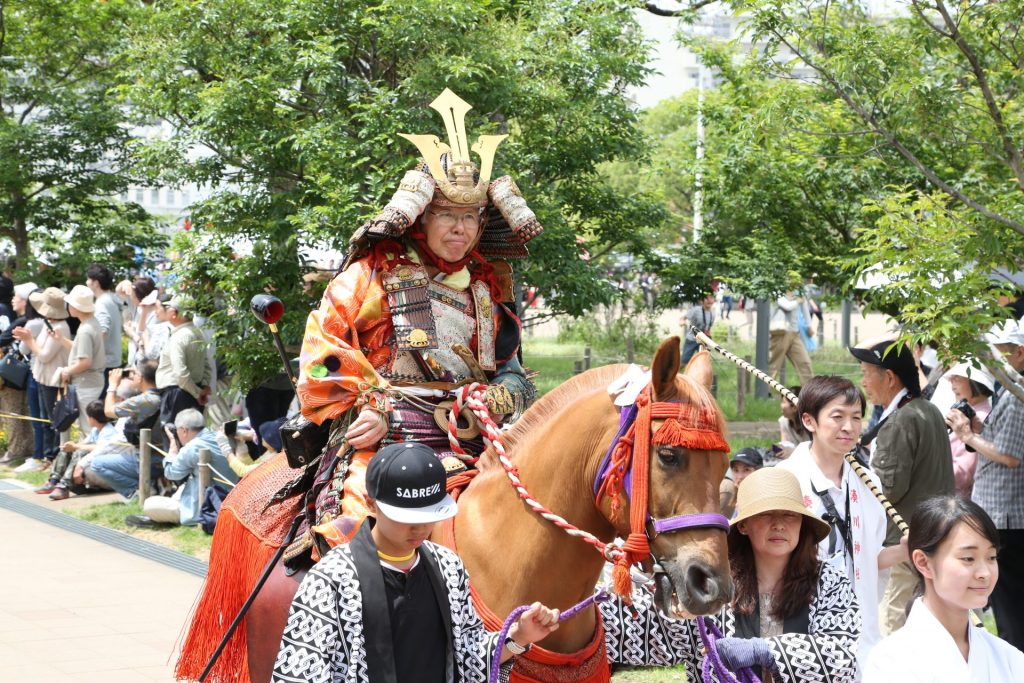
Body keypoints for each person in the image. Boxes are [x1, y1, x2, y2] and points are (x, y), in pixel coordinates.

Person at [292, 89, 540, 555]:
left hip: (475, 433)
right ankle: (336, 609)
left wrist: (500, 393)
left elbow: (513, 369)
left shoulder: (487, 289)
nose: (459, 229)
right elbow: (320, 361)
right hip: (389, 432)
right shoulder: (368, 278)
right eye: (446, 214)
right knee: (356, 529)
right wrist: (365, 407)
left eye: (469, 217)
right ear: (421, 218)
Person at [272, 442, 560, 683]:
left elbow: (469, 658)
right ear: (371, 504)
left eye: (428, 516)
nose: (420, 529)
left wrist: (519, 634)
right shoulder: (331, 579)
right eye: (407, 518)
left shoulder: (448, 567)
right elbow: (298, 675)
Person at [602, 466, 860, 682]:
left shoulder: (829, 581)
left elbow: (844, 657)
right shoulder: (712, 582)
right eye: (767, 514)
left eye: (790, 515)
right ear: (744, 525)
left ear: (803, 523)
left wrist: (761, 650)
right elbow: (639, 631)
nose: (779, 524)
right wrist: (571, 615)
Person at [777, 375, 908, 671]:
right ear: (809, 421)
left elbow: (867, 558)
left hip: (859, 630)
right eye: (837, 417)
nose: (848, 427)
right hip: (801, 624)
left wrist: (904, 550)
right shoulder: (786, 479)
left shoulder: (869, 483)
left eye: (856, 418)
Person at [851, 336, 954, 635]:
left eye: (866, 373)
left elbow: (887, 490)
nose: (864, 382)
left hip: (905, 542)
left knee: (892, 621)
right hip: (935, 532)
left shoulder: (900, 421)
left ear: (890, 377)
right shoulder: (928, 410)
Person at [864, 496, 1024, 681]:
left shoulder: (1007, 657)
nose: (985, 573)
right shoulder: (889, 661)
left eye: (991, 557)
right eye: (968, 558)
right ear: (923, 562)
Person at [946, 319, 1024, 651]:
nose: (1001, 359)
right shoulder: (1012, 390)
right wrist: (980, 429)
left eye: (1006, 352)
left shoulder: (1019, 394)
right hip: (1000, 514)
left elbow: (1010, 456)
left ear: (1020, 352)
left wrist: (968, 436)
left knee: (1010, 608)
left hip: (1007, 516)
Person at [125, 408, 237, 527]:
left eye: (177, 431)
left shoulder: (192, 447)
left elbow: (171, 473)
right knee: (181, 489)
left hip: (205, 508)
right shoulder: (220, 437)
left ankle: (163, 518)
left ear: (183, 430)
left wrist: (173, 444)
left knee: (149, 504)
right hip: (231, 501)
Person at [8, 288, 70, 469]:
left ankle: (54, 457)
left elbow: (44, 355)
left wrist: (28, 339)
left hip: (52, 379)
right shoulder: (48, 323)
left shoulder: (60, 327)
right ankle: (49, 457)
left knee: (53, 420)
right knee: (45, 419)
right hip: (43, 377)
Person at [86, 360, 163, 500]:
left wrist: (112, 385)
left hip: (148, 460)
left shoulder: (144, 400)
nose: (131, 377)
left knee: (97, 464)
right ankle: (151, 486)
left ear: (140, 377)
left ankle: (137, 492)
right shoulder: (165, 396)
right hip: (163, 457)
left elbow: (109, 411)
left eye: (133, 374)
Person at [155, 295, 213, 438]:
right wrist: (203, 387)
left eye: (168, 308)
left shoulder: (180, 336)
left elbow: (180, 372)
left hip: (177, 393)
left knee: (174, 438)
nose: (166, 310)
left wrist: (198, 393)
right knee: (192, 438)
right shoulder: (197, 333)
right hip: (193, 390)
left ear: (174, 313)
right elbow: (206, 364)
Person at [51, 285, 106, 436]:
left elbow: (85, 362)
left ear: (76, 307)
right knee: (88, 427)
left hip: (86, 383)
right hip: (92, 381)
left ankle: (89, 459)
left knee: (88, 429)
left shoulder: (85, 330)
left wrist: (66, 370)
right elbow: (80, 350)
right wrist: (61, 339)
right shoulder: (92, 323)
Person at [36, 400, 117, 501]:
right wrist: (71, 446)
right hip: (93, 462)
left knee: (80, 451)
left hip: (105, 467)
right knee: (66, 450)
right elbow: (84, 444)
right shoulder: (96, 430)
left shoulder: (109, 431)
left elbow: (101, 448)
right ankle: (54, 481)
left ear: (92, 419)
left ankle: (65, 485)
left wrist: (76, 447)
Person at [1, 282, 40, 469]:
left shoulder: (22, 322)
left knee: (12, 412)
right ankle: (27, 448)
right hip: (25, 373)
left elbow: (2, 339)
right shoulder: (30, 320)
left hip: (14, 374)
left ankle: (15, 450)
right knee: (25, 412)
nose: (12, 300)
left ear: (25, 301)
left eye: (16, 297)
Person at [944, 362, 994, 498]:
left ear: (975, 382)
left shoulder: (979, 417)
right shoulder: (974, 412)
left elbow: (962, 474)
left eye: (957, 379)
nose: (952, 386)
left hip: (955, 500)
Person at [86, 263, 123, 390]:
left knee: (100, 406)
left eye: (88, 280)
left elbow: (103, 331)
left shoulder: (102, 303)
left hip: (105, 363)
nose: (86, 282)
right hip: (113, 360)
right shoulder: (112, 299)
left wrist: (88, 351)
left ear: (96, 283)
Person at [768, 286, 814, 386]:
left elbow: (805, 309)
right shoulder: (776, 292)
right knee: (774, 363)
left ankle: (810, 393)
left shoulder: (799, 292)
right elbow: (787, 306)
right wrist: (798, 301)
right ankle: (765, 391)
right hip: (780, 333)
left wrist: (809, 326)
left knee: (804, 362)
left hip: (795, 334)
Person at [681, 292, 716, 366]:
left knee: (704, 362)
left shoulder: (713, 313)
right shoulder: (696, 310)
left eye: (711, 298)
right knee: (684, 361)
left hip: (703, 340)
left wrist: (709, 337)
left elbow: (708, 328)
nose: (709, 301)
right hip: (692, 339)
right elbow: (683, 318)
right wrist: (682, 322)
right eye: (707, 298)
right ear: (702, 300)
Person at [777, 384, 810, 458]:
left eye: (783, 402)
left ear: (794, 407)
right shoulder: (783, 421)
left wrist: (793, 452)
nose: (781, 405)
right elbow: (784, 444)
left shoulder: (810, 425)